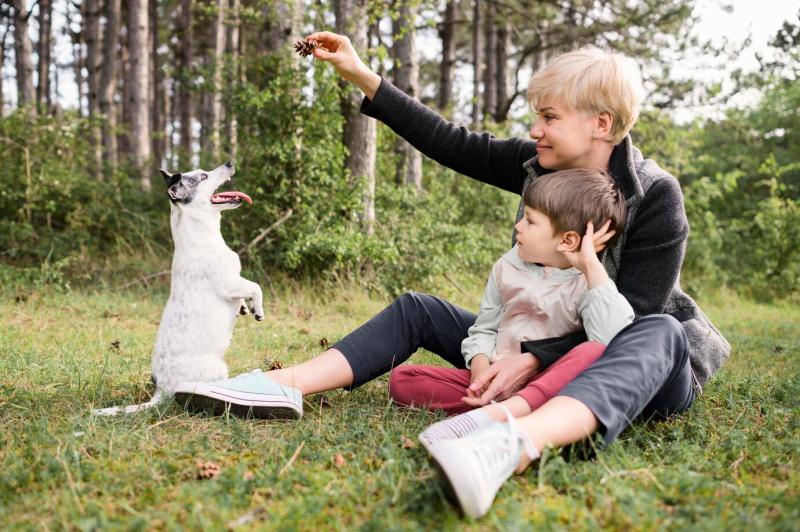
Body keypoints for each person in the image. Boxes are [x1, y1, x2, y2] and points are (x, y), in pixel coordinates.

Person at [181, 32, 730, 519]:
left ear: (601, 123)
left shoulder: (656, 196)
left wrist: (534, 357)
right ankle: (281, 386)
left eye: (550, 117)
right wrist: (359, 74)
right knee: (419, 309)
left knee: (660, 330)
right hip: (530, 343)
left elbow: (628, 321)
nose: (535, 129)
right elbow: (453, 142)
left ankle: (508, 442)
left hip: (637, 367)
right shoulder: (540, 167)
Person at [389, 167, 634, 422]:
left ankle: (520, 410)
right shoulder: (507, 266)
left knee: (587, 359)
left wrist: (592, 268)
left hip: (548, 384)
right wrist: (480, 374)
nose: (518, 226)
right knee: (403, 380)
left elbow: (611, 345)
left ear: (569, 240)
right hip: (498, 373)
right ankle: (496, 409)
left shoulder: (588, 285)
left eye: (530, 220)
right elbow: (484, 328)